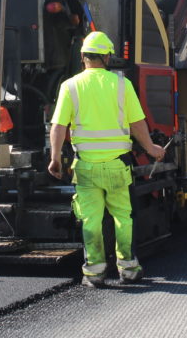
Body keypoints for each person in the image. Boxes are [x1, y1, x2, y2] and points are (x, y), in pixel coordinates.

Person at [48, 31, 166, 287]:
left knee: (90, 219)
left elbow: (57, 126)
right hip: (117, 166)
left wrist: (55, 158)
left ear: (83, 56)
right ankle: (129, 270)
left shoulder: (70, 86)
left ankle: (94, 273)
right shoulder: (123, 85)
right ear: (107, 57)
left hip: (86, 167)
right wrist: (151, 148)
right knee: (123, 217)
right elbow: (137, 122)